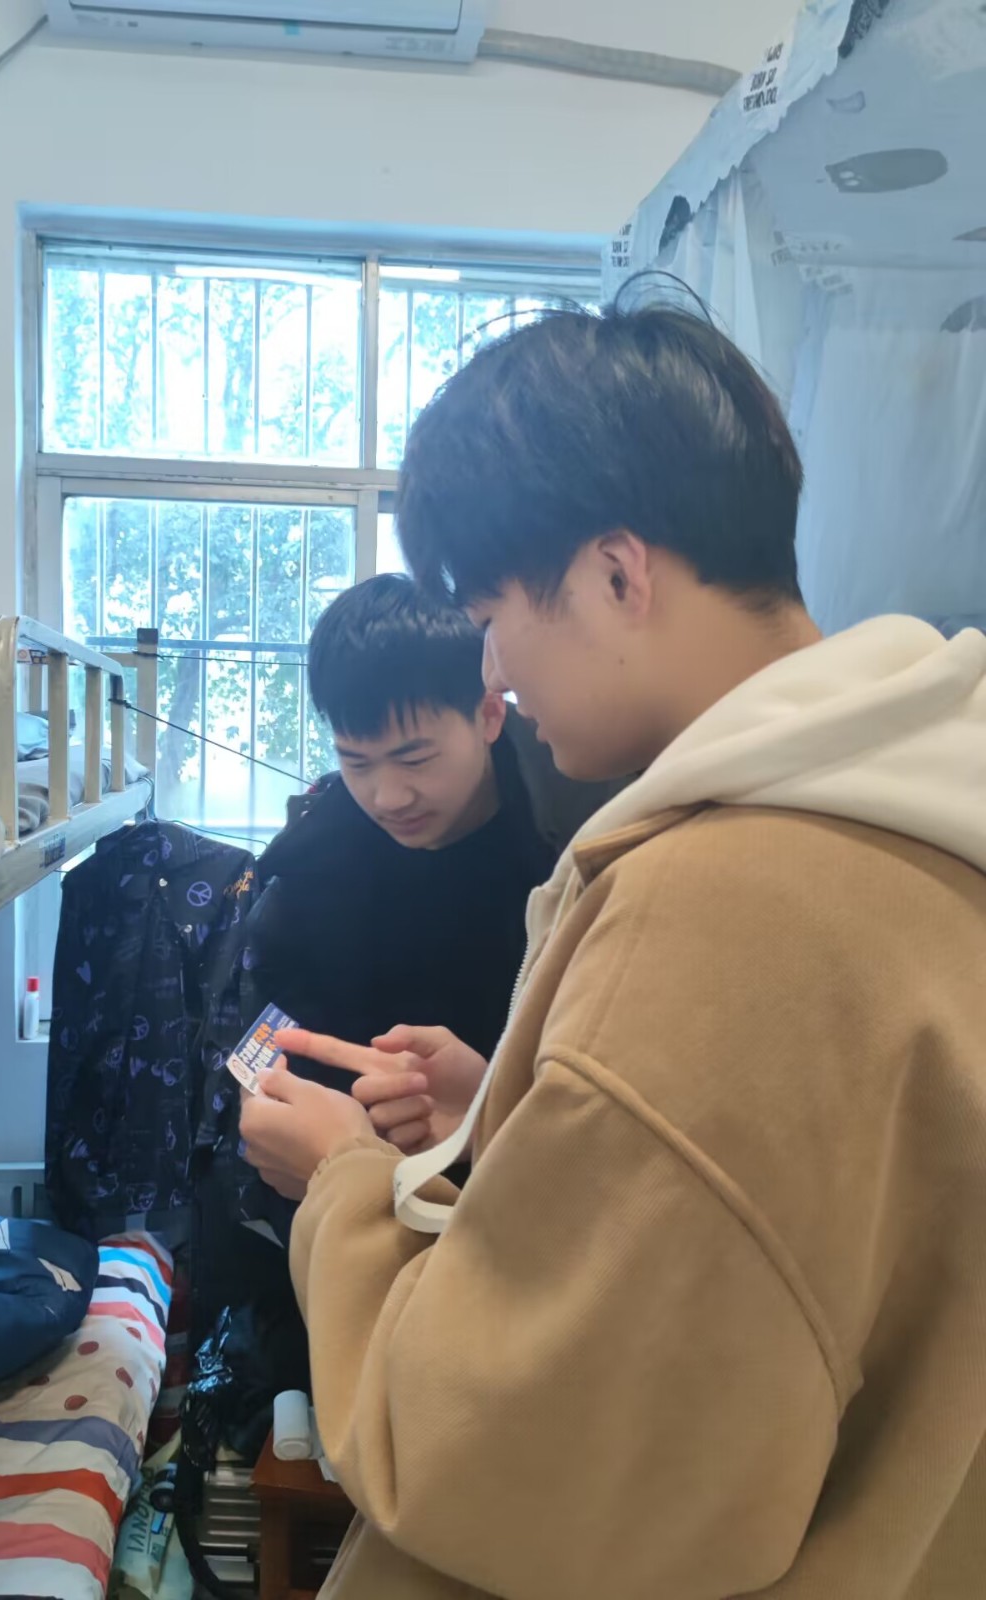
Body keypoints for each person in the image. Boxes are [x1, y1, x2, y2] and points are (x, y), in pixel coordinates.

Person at [240, 298, 986, 1598]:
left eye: (492, 613)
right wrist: (511, 1113)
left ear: (616, 576)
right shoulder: (926, 818)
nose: (495, 670)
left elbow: (495, 1458)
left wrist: (346, 1182)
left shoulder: (722, 906)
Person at [246, 572, 620, 1085]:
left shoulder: (592, 830)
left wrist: (488, 1110)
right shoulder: (312, 874)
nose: (388, 797)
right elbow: (273, 1047)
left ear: (489, 715)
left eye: (415, 759)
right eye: (357, 762)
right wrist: (269, 1097)